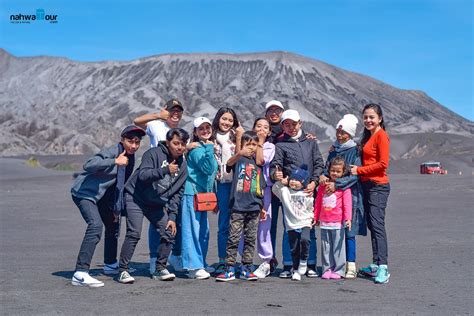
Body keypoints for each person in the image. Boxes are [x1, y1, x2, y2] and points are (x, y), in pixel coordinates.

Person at [70, 125, 145, 287]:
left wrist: (115, 207)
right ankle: (80, 272)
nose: (133, 145)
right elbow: (89, 164)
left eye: (137, 142)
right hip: (85, 193)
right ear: (122, 140)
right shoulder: (113, 152)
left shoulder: (130, 157)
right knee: (95, 226)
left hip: (103, 196)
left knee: (113, 225)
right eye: (130, 141)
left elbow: (119, 184)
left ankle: (110, 265)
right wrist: (115, 161)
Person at [117, 128, 189, 284]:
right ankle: (123, 269)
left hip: (155, 203)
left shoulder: (183, 167)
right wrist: (165, 170)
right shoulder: (154, 153)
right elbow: (143, 175)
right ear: (168, 142)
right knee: (134, 232)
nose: (179, 147)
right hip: (135, 197)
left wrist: (172, 216)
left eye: (183, 144)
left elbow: (177, 194)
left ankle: (160, 268)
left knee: (169, 231)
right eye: (176, 143)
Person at [270, 109, 324, 278]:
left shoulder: (311, 142)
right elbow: (276, 165)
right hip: (291, 194)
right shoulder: (280, 145)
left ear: (300, 123)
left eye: (294, 124)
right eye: (287, 124)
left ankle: (310, 264)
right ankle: (289, 265)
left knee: (309, 231)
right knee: (290, 229)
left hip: (308, 192)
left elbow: (318, 163)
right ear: (282, 126)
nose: (291, 127)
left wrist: (314, 182)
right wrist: (276, 175)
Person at [134, 98, 185, 275]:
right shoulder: (156, 126)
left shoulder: (180, 132)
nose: (175, 114)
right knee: (157, 220)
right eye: (172, 110)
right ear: (166, 111)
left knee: (175, 217)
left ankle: (175, 256)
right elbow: (137, 121)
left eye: (179, 111)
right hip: (157, 177)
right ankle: (154, 258)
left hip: (175, 176)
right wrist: (158, 115)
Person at [319, 114, 366, 279]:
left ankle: (350, 265)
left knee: (349, 229)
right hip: (331, 196)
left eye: (343, 132)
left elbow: (355, 174)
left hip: (350, 194)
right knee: (333, 230)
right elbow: (327, 168)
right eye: (338, 131)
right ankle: (332, 265)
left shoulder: (355, 151)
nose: (340, 135)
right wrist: (323, 177)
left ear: (350, 134)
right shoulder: (334, 150)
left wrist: (337, 184)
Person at [216, 131, 266, 282]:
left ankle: (246, 267)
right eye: (248, 144)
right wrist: (240, 153)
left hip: (254, 207)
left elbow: (260, 188)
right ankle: (229, 268)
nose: (251, 148)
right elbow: (229, 164)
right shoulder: (239, 161)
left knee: (250, 238)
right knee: (233, 237)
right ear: (242, 145)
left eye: (254, 145)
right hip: (238, 206)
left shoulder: (258, 166)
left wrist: (262, 207)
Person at [350, 103, 391, 284]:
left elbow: (383, 164)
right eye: (365, 117)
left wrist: (359, 170)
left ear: (380, 118)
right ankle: (375, 265)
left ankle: (383, 267)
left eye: (372, 117)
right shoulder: (368, 136)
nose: (368, 120)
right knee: (372, 226)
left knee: (377, 225)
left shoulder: (381, 136)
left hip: (377, 187)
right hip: (367, 186)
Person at [179, 117, 218, 280]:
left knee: (203, 231)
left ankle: (200, 261)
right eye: (201, 129)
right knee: (192, 230)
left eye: (207, 128)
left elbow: (212, 176)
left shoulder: (202, 147)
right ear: (195, 132)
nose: (205, 131)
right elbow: (208, 169)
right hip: (191, 193)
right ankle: (193, 266)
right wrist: (210, 148)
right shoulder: (197, 150)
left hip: (202, 195)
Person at [212, 107, 244, 274]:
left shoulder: (237, 137)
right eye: (224, 119)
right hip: (222, 185)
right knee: (224, 224)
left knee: (240, 223)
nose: (226, 123)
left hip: (238, 184)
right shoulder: (210, 137)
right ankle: (223, 260)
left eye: (230, 120)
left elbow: (243, 154)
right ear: (218, 119)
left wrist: (239, 136)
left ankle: (241, 260)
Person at [242, 118, 275, 279]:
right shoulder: (246, 145)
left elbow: (261, 160)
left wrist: (260, 143)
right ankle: (244, 261)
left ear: (269, 132)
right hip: (246, 188)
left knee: (263, 225)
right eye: (258, 126)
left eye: (265, 127)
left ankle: (265, 261)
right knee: (243, 224)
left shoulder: (269, 147)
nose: (262, 129)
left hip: (263, 189)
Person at [272, 165, 314, 281]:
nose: (293, 182)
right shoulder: (285, 191)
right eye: (292, 179)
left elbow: (310, 208)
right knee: (294, 248)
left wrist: (311, 218)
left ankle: (304, 260)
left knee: (305, 240)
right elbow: (275, 189)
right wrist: (282, 182)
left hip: (304, 221)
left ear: (303, 183)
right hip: (291, 224)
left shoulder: (307, 193)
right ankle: (295, 270)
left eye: (297, 180)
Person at [315, 156, 352, 279]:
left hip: (337, 223)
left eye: (338, 171)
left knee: (338, 247)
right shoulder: (322, 186)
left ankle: (339, 270)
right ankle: (327, 269)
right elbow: (318, 202)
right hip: (325, 222)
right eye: (333, 171)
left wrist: (348, 219)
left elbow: (347, 204)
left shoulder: (344, 188)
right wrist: (316, 217)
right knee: (326, 247)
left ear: (343, 172)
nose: (335, 173)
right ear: (329, 170)